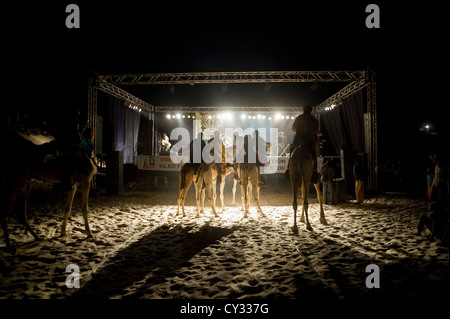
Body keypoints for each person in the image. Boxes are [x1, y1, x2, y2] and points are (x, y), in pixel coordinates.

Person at [285, 105, 321, 182]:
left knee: (292, 152)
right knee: (314, 156)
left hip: (298, 141)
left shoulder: (298, 118)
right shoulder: (314, 119)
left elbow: (293, 128)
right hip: (309, 141)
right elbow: (316, 130)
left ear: (303, 110)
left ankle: (289, 168)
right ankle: (314, 173)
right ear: (310, 111)